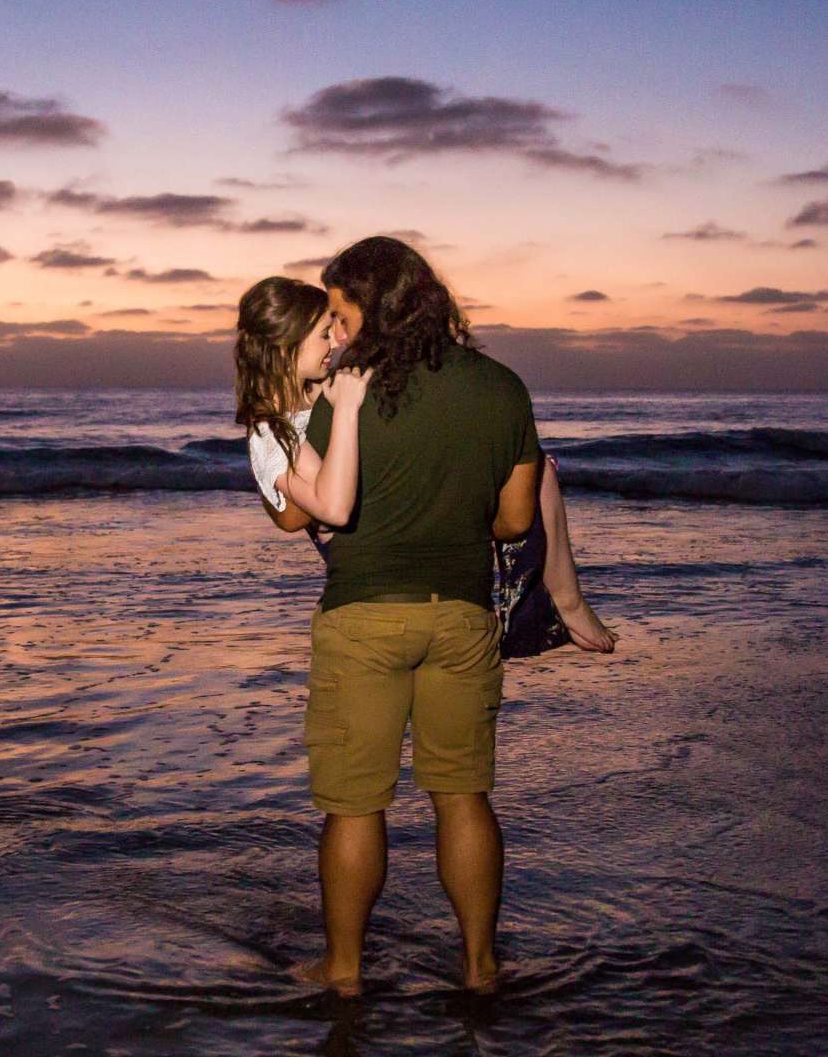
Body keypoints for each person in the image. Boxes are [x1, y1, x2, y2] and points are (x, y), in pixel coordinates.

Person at [267, 237, 595, 995]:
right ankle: (481, 967)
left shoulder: (347, 390)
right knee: (463, 795)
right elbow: (514, 521)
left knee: (354, 807)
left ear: (375, 308)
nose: (338, 332)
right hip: (462, 619)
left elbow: (301, 508)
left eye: (343, 314)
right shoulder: (502, 387)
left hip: (363, 619)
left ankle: (343, 970)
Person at [233, 276, 615, 656]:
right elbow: (309, 511)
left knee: (538, 468)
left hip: (389, 509)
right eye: (323, 333)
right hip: (368, 541)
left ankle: (566, 601)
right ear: (286, 348)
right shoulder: (272, 429)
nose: (336, 340)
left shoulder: (323, 386)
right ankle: (550, 606)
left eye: (335, 327)